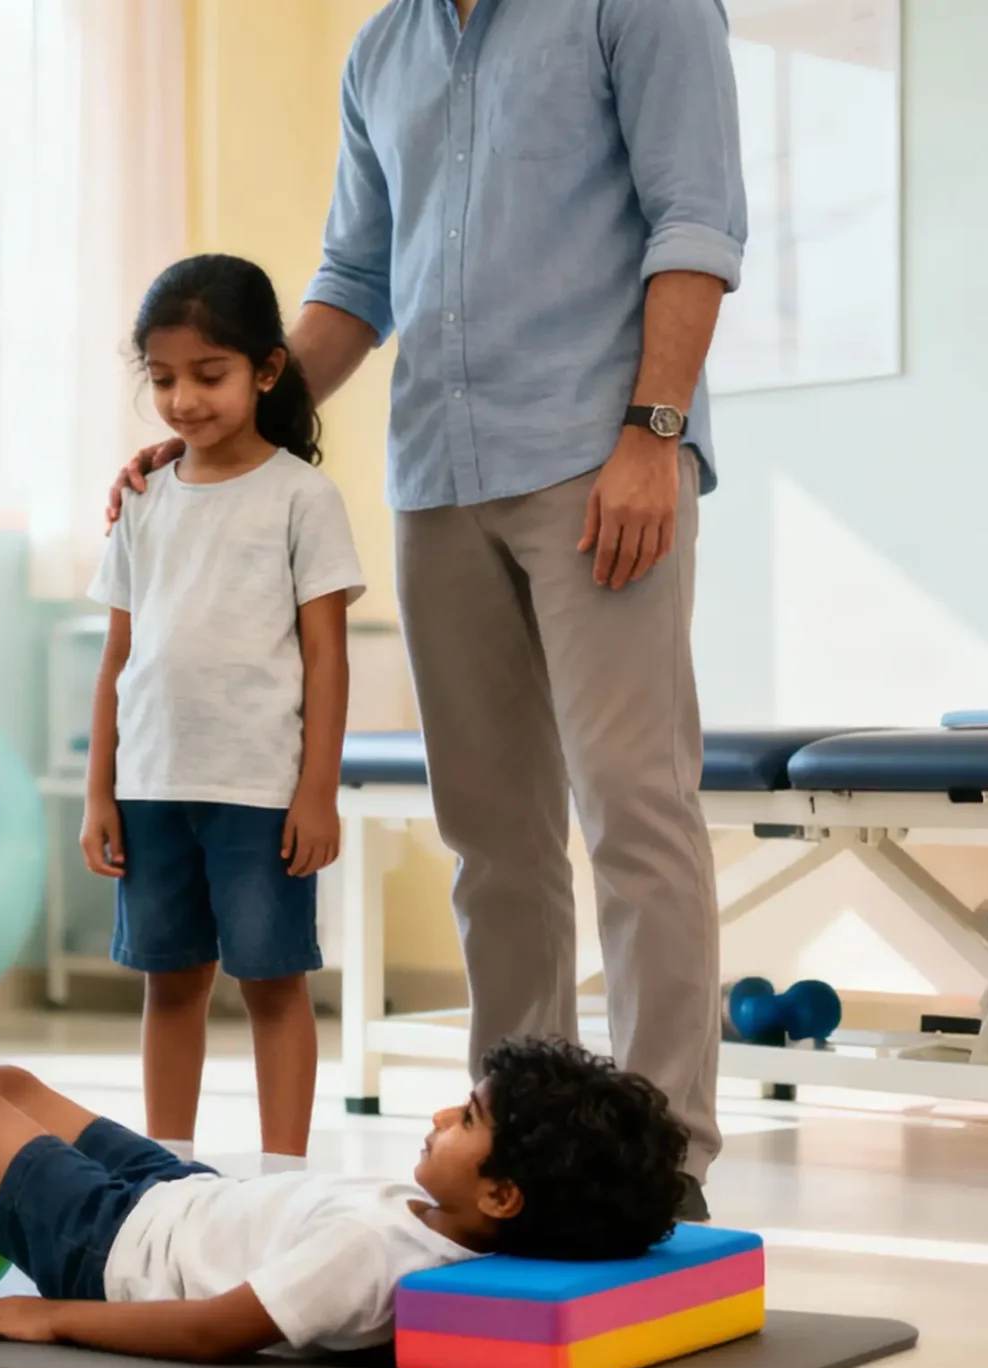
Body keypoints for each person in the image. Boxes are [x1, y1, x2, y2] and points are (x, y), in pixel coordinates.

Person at [109, 0, 746, 1217]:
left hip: (596, 459)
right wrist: (221, 434)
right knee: (492, 840)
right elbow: (354, 280)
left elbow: (696, 220)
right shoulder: (380, 50)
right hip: (437, 479)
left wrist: (653, 434)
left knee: (632, 812)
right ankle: (512, 1144)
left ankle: (663, 1167)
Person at [0, 910, 689, 1360]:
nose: (442, 1117)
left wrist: (58, 1315)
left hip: (109, 1250)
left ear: (502, 1197)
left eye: (468, 1121)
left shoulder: (374, 1257)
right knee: (11, 1082)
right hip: (171, 1193)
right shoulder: (445, 1219)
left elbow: (210, 1328)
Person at [84, 255, 366, 1159]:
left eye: (209, 375)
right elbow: (118, 658)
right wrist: (102, 793)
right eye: (163, 380)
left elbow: (326, 656)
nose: (184, 401)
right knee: (170, 984)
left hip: (258, 792)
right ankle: (167, 1169)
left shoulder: (302, 498)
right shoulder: (141, 500)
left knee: (273, 983)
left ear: (267, 370)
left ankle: (283, 1172)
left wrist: (316, 791)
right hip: (154, 785)